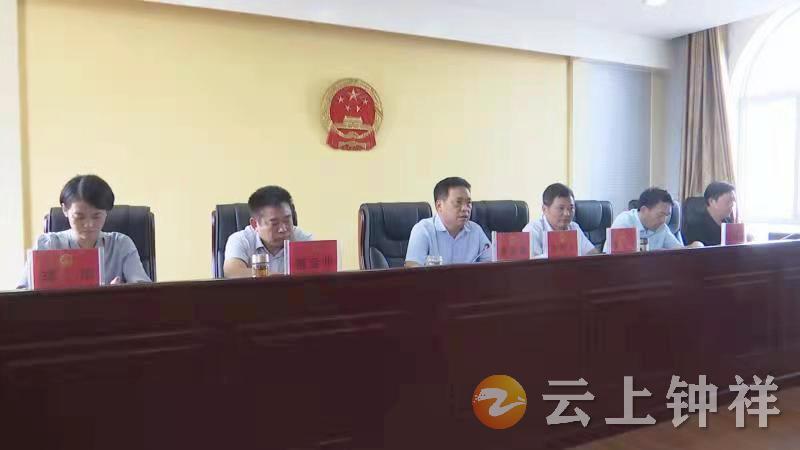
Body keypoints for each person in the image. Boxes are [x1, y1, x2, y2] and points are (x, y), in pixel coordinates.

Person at [17, 174, 151, 289]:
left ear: (107, 211)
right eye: (79, 217)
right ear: (65, 210)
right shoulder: (46, 245)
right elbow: (21, 297)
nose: (89, 224)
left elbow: (144, 292)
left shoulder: (121, 245)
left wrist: (120, 292)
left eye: (96, 216)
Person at [223, 185, 312, 277]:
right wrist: (280, 278)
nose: (283, 229)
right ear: (255, 224)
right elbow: (233, 272)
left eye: (287, 220)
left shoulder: (303, 239)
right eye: (275, 223)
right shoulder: (241, 240)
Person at [405, 177, 491, 267]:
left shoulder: (476, 230)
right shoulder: (423, 230)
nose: (465, 208)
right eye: (458, 202)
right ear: (439, 206)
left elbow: (492, 264)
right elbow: (412, 267)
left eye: (468, 203)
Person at [603, 187, 703, 253]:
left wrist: (695, 246)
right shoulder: (625, 223)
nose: (663, 220)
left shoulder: (662, 228)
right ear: (644, 210)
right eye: (660, 215)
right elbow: (618, 262)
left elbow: (679, 252)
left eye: (666, 215)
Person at [522, 183, 598, 257]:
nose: (567, 213)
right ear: (544, 209)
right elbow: (533, 263)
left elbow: (593, 254)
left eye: (571, 208)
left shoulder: (573, 227)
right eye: (561, 208)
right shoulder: (533, 230)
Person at [683, 181, 737, 246]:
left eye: (733, 201)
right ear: (712, 201)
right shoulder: (696, 226)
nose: (732, 205)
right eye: (728, 201)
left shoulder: (728, 222)